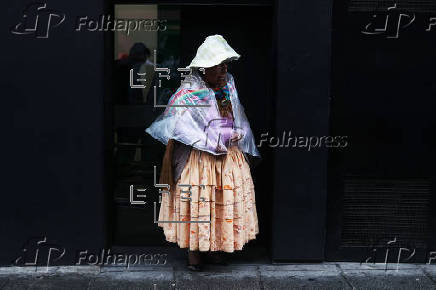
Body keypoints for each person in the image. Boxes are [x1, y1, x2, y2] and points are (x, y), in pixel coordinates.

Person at [145, 35, 261, 271]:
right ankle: (195, 254)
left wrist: (237, 132)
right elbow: (177, 126)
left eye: (225, 64)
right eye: (219, 65)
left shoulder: (228, 87)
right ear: (204, 68)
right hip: (200, 160)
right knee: (199, 202)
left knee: (221, 202)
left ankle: (216, 248)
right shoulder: (188, 93)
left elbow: (237, 116)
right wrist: (212, 139)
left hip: (227, 156)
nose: (223, 70)